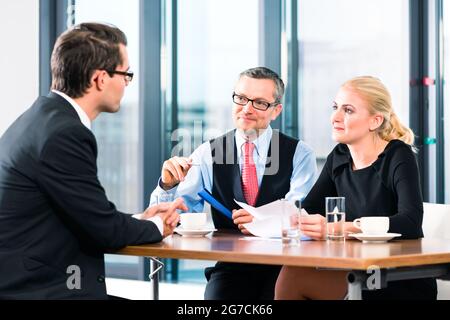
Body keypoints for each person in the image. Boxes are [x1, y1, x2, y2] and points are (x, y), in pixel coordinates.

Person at [0, 23, 186, 300]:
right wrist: (159, 226)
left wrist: (140, 219)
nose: (126, 83)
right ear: (100, 79)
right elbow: (103, 231)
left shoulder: (41, 117)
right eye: (126, 74)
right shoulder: (65, 133)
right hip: (41, 289)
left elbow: (87, 214)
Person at [150, 67, 317, 300]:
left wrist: (261, 222)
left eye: (259, 102)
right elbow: (176, 216)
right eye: (241, 98)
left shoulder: (299, 153)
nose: (246, 109)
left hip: (285, 264)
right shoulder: (207, 153)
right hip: (232, 265)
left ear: (276, 110)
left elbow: (300, 213)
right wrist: (168, 187)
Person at [275, 76, 437, 300]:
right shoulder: (339, 156)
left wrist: (340, 228)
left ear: (375, 121)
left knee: (294, 277)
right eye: (335, 107)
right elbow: (310, 209)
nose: (335, 117)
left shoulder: (398, 155)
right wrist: (268, 219)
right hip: (356, 271)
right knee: (292, 273)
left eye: (348, 110)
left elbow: (410, 222)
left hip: (397, 278)